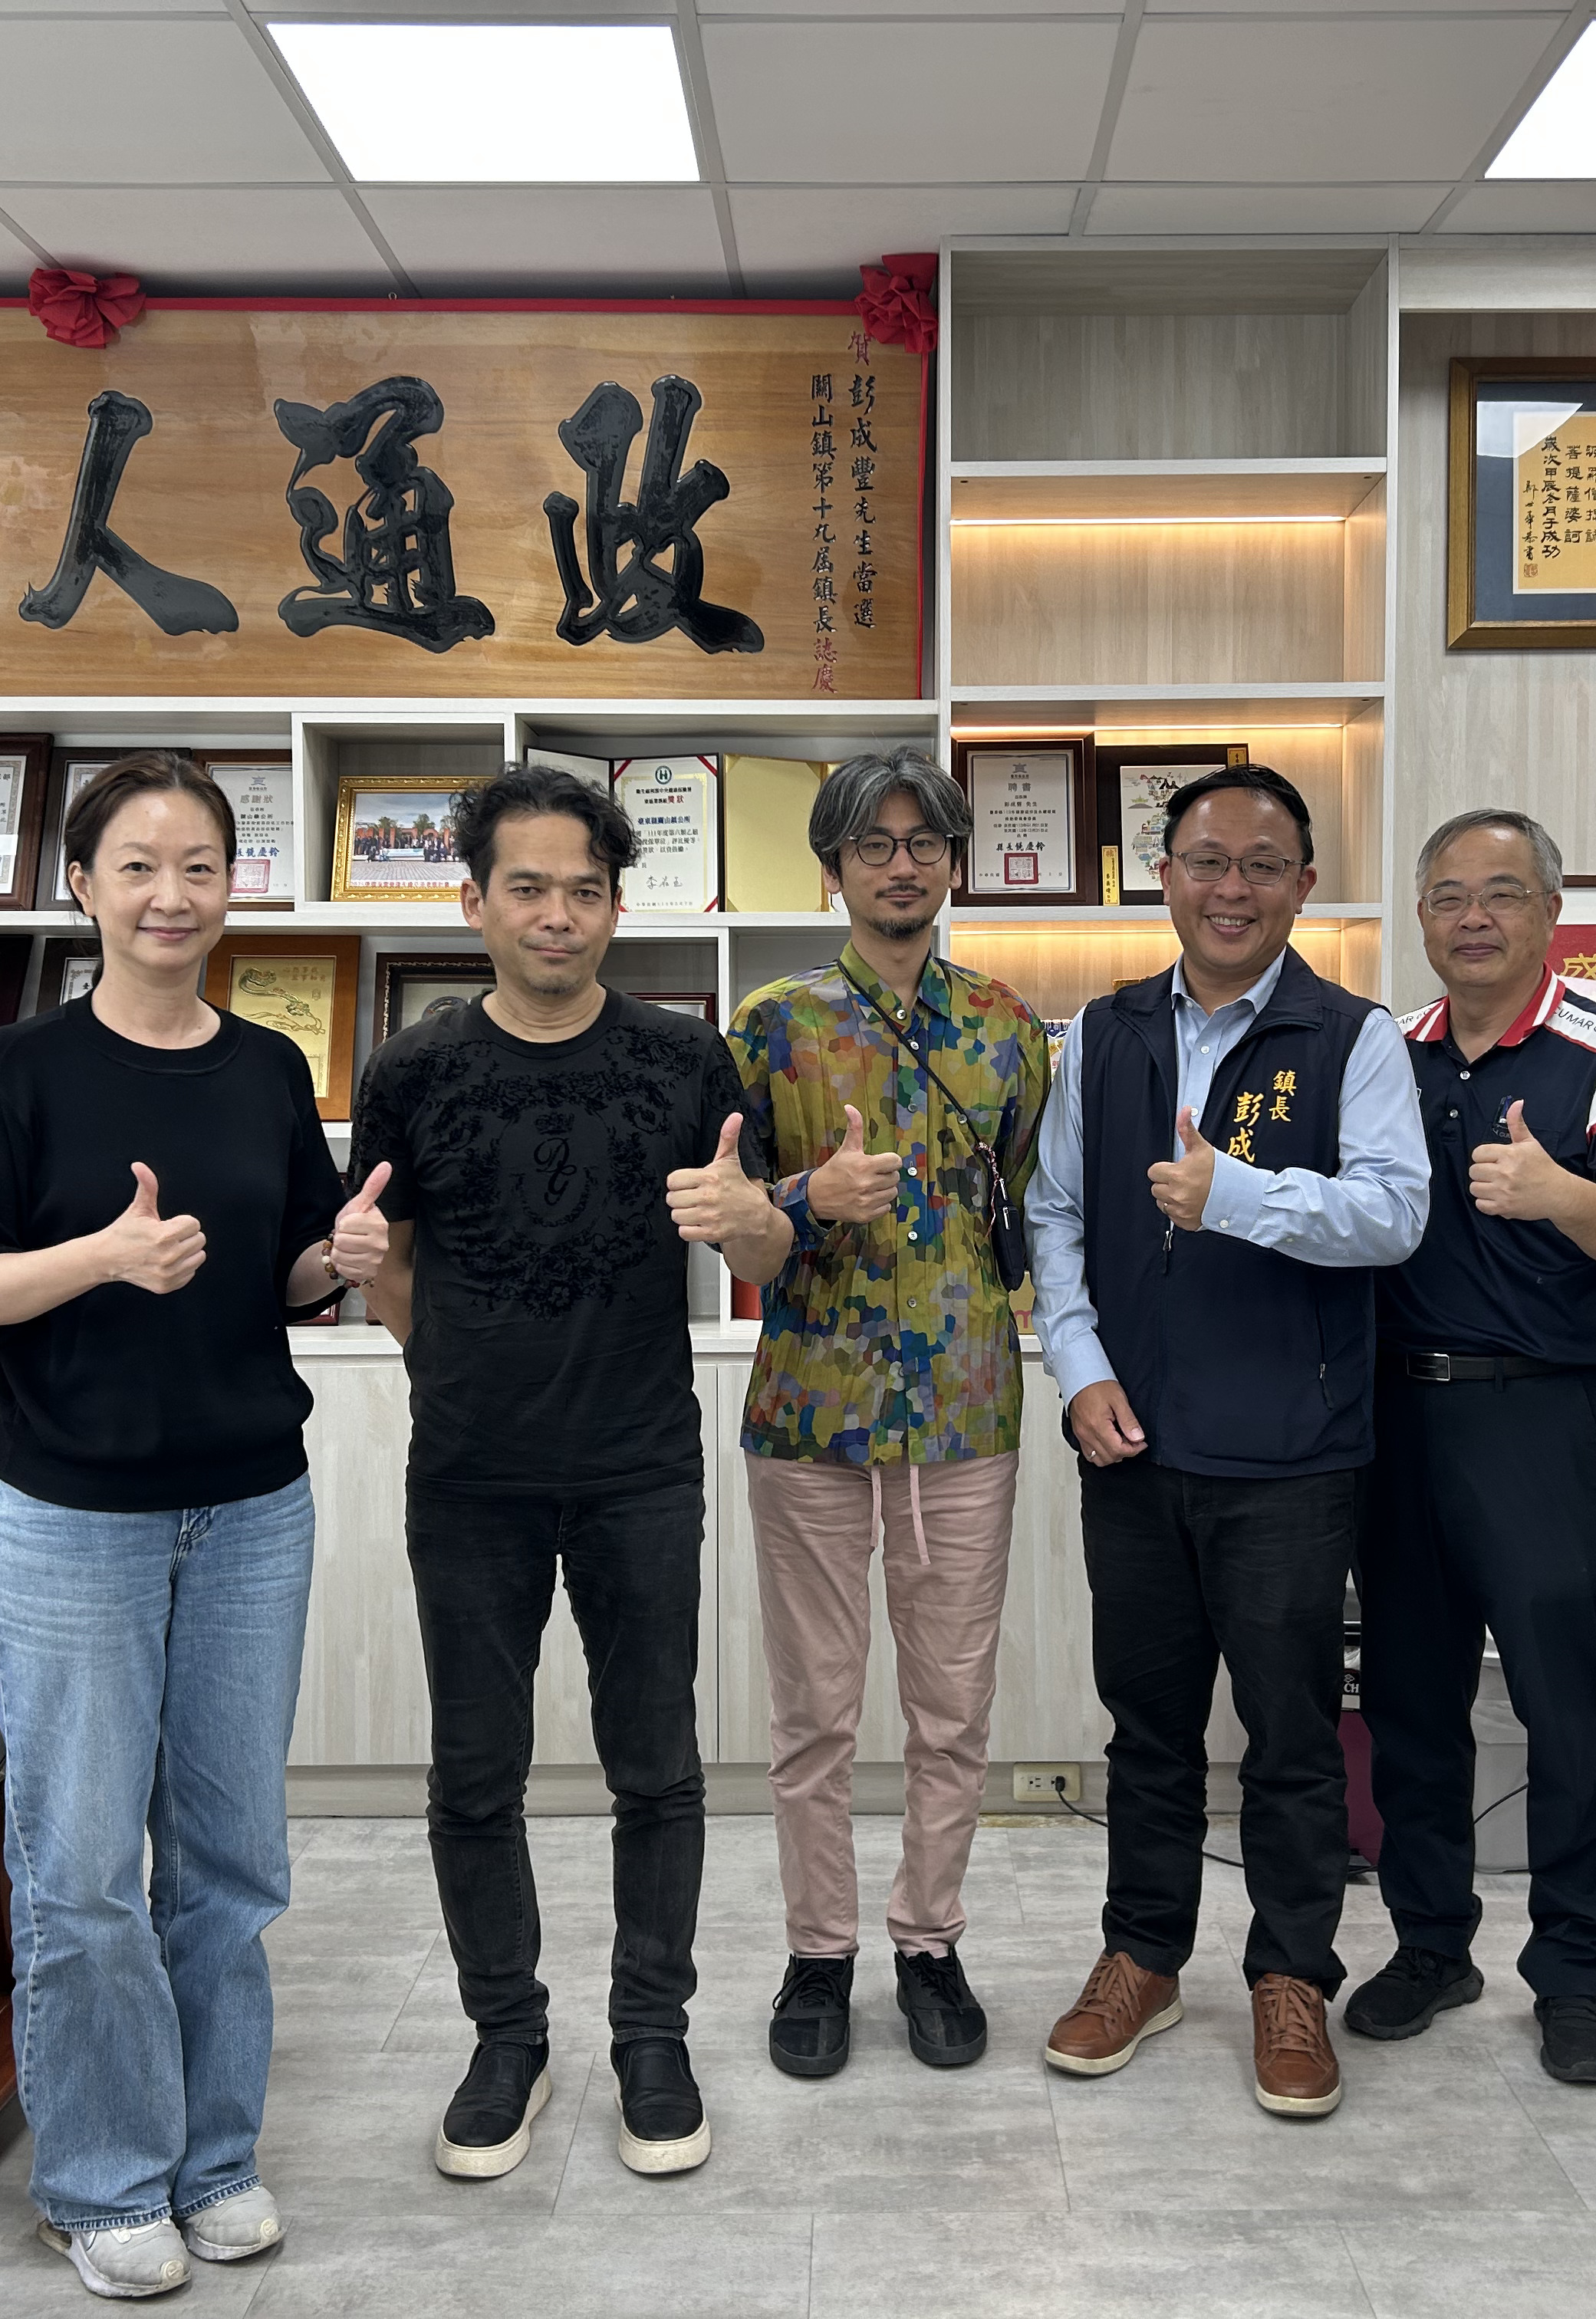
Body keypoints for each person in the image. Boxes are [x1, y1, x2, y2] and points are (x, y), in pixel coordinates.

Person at [0, 749, 359, 2301]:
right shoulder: (25, 1074)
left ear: (234, 890)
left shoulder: (263, 1070)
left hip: (250, 1508)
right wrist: (100, 1255)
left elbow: (289, 1272)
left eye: (203, 868)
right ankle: (102, 2181)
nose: (174, 896)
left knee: (231, 1862)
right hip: (77, 1520)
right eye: (141, 866)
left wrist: (344, 1252)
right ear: (84, 886)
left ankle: (213, 2158)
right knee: (86, 1865)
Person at [333, 763, 791, 2184]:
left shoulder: (684, 1062)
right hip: (468, 1477)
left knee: (658, 1770)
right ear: (471, 903)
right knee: (478, 1774)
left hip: (641, 1470)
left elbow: (768, 1259)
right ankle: (506, 2040)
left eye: (583, 891)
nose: (555, 915)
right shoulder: (413, 1068)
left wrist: (748, 1220)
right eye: (525, 888)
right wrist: (414, 1327)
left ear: (614, 906)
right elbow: (392, 1268)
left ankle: (652, 2035)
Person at [1024, 762, 1430, 2119]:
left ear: (1304, 887)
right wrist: (1076, 1372)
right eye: (1206, 859)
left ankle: (1292, 1974)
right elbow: (1057, 1218)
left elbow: (1391, 1217)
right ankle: (1142, 1955)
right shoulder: (1104, 1032)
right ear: (1165, 877)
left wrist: (1236, 1194)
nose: (1232, 887)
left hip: (1292, 1450)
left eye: (1263, 864)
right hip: (1129, 1442)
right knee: (1146, 1726)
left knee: (1292, 1733)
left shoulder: (1356, 1038)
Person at [726, 747, 1051, 2079]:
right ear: (835, 869)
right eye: (875, 845)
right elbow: (730, 1234)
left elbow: (1023, 1216)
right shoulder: (771, 1026)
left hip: (967, 1409)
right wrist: (811, 1201)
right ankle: (819, 1950)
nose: (902, 863)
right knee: (812, 1711)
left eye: (924, 842)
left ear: (953, 862)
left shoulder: (1012, 1029)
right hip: (810, 1408)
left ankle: (929, 1940)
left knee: (952, 1707)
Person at [1349, 809, 1596, 2090]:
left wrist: (1560, 1195)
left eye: (1500, 893)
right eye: (1447, 896)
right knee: (1412, 1700)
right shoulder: (1383, 1052)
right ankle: (1434, 1942)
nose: (1472, 917)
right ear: (1421, 918)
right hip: (1397, 1418)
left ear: (1551, 910)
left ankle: (1574, 1970)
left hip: (1546, 1413)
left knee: (1560, 1701)